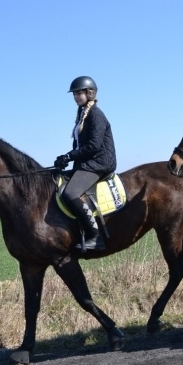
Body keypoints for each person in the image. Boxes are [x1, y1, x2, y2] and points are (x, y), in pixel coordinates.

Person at [54, 76, 117, 251]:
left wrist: (69, 156)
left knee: (71, 193)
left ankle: (96, 237)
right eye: (74, 94)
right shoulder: (83, 114)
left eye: (79, 93)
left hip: (100, 163)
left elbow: (93, 146)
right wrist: (65, 160)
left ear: (90, 93)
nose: (76, 97)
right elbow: (81, 145)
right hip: (88, 162)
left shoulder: (96, 114)